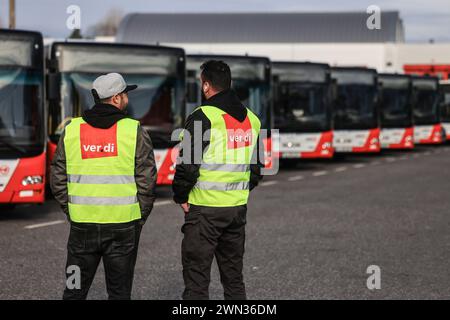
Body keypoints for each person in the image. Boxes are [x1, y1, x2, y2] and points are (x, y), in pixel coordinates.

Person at [50, 72, 157, 300]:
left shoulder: (72, 130)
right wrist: (138, 217)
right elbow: (147, 181)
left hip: (81, 229)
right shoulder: (134, 130)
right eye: (125, 94)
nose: (128, 98)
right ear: (117, 98)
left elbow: (57, 175)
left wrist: (70, 209)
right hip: (123, 228)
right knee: (119, 292)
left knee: (73, 288)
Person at [173, 60, 264, 300]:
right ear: (229, 83)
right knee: (234, 280)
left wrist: (180, 195)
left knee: (197, 282)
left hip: (205, 210)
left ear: (206, 86)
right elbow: (257, 169)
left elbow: (188, 166)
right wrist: (238, 190)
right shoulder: (252, 120)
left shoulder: (203, 117)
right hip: (236, 209)